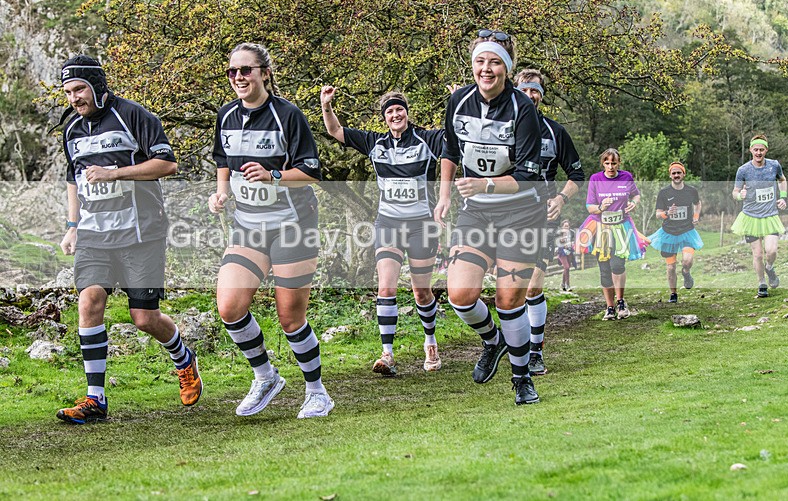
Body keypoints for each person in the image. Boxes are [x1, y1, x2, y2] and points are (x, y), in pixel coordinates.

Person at [56, 55, 202, 424]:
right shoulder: (70, 128)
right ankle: (95, 399)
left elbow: (167, 165)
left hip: (141, 233)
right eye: (68, 92)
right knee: (89, 301)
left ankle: (184, 359)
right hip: (94, 233)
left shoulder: (134, 115)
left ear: (97, 87)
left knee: (143, 317)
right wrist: (73, 225)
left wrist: (115, 173)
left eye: (79, 90)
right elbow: (74, 180)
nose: (74, 98)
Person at [208, 43, 333, 418]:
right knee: (229, 306)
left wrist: (274, 176)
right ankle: (266, 377)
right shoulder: (226, 115)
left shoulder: (287, 115)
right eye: (232, 72)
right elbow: (222, 161)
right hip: (248, 225)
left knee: (290, 317)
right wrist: (222, 191)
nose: (239, 78)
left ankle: (316, 391)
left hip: (293, 224)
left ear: (264, 72)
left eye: (246, 70)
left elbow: (313, 170)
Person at [435, 29, 544, 405]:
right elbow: (449, 148)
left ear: (507, 68)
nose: (487, 68)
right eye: (481, 61)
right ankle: (491, 340)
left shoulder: (523, 109)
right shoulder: (458, 99)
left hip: (520, 214)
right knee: (460, 295)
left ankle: (522, 378)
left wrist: (486, 185)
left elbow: (529, 174)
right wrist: (445, 195)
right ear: (472, 64)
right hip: (476, 213)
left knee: (508, 301)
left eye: (495, 62)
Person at [320, 86, 444, 375]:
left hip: (421, 226)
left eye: (399, 109)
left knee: (421, 292)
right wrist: (327, 106)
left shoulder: (427, 139)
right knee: (385, 287)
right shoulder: (375, 143)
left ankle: (430, 342)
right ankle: (387, 354)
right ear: (384, 118)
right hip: (388, 223)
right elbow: (336, 131)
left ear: (407, 112)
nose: (395, 114)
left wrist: (457, 103)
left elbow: (454, 136)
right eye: (389, 111)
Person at [514, 69, 584, 377]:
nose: (531, 95)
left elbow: (576, 175)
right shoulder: (501, 128)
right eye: (525, 89)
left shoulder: (555, 132)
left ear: (541, 96)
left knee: (532, 287)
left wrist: (561, 199)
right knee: (511, 289)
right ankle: (510, 345)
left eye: (536, 90)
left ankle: (535, 351)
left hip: (543, 216)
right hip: (506, 216)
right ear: (515, 91)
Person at [577, 148, 648, 320]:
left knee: (618, 265)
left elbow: (636, 195)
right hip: (601, 227)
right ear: (603, 163)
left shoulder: (626, 177)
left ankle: (621, 302)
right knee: (604, 269)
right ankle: (609, 307)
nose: (610, 167)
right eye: (607, 163)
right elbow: (589, 206)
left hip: (621, 226)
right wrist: (602, 207)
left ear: (619, 163)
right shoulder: (595, 179)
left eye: (614, 163)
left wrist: (633, 203)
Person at [731, 135, 787, 298]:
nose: (758, 152)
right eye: (756, 149)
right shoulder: (743, 170)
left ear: (766, 150)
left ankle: (769, 267)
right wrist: (740, 195)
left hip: (770, 215)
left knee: (771, 251)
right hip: (751, 217)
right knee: (758, 254)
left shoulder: (774, 166)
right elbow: (734, 193)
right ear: (751, 150)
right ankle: (762, 283)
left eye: (761, 149)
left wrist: (782, 197)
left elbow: (782, 180)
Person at [648, 162, 703, 303]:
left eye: (679, 173)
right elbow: (658, 214)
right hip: (668, 233)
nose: (676, 175)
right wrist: (667, 212)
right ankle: (673, 294)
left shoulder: (691, 191)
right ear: (670, 175)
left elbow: (698, 204)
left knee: (687, 260)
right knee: (671, 266)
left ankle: (686, 273)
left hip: (687, 231)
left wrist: (696, 217)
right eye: (674, 173)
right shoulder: (664, 193)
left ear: (684, 174)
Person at [555, 219, 576, 292]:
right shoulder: (559, 233)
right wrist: (562, 243)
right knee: (566, 267)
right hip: (561, 252)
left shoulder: (572, 233)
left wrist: (572, 245)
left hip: (569, 251)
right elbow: (557, 242)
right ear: (562, 227)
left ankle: (563, 284)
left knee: (567, 268)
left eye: (567, 226)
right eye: (565, 226)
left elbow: (574, 241)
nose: (566, 228)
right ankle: (568, 285)